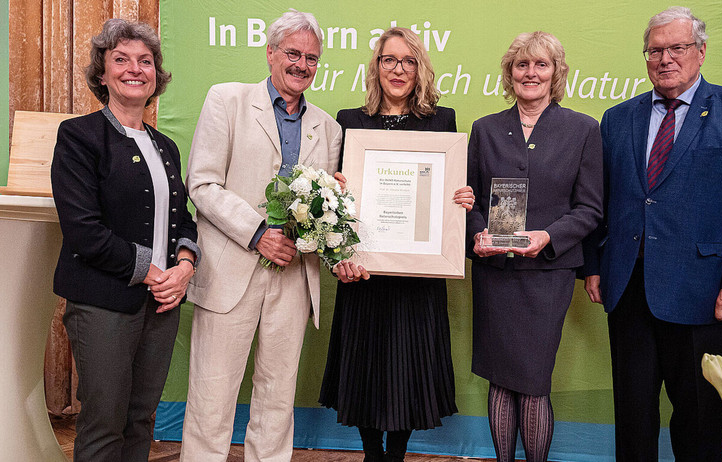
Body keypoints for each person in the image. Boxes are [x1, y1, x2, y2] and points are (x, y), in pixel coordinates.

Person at [582, 7, 722, 461]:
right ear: (645, 57)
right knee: (633, 417)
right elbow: (598, 201)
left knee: (701, 417)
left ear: (701, 52)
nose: (665, 58)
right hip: (627, 288)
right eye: (655, 50)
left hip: (705, 293)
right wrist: (593, 267)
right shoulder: (617, 118)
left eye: (677, 48)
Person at [180, 9, 352, 462]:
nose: (301, 64)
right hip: (230, 267)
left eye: (311, 57)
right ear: (271, 52)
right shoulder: (227, 100)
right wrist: (258, 233)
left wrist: (329, 218)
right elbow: (201, 183)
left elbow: (321, 207)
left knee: (277, 396)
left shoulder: (328, 127)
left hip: (294, 273)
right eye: (292, 53)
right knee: (212, 395)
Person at [318, 27, 474, 462]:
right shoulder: (350, 120)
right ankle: (371, 452)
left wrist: (462, 198)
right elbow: (331, 202)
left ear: (419, 68)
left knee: (410, 365)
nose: (398, 69)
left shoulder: (442, 120)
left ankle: (397, 454)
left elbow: (451, 191)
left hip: (419, 269)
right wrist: (337, 185)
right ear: (377, 67)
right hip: (364, 269)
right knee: (366, 362)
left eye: (407, 61)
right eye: (389, 60)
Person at [50, 18, 199, 461]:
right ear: (102, 73)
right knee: (103, 427)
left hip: (161, 306)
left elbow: (182, 220)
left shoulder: (165, 146)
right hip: (102, 304)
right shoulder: (79, 136)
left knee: (140, 422)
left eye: (145, 61)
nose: (135, 69)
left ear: (156, 75)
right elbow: (83, 230)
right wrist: (154, 272)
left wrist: (185, 266)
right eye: (121, 60)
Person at [466, 32, 603, 461]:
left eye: (541, 65)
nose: (531, 73)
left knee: (533, 380)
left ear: (556, 73)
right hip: (495, 274)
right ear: (510, 74)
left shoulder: (583, 129)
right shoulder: (485, 129)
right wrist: (477, 235)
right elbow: (469, 198)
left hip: (547, 275)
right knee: (500, 380)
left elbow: (590, 209)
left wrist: (548, 237)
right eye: (522, 65)